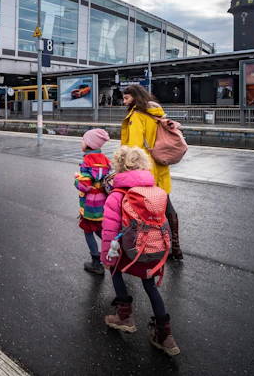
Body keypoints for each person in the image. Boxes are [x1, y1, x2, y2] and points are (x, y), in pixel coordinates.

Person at [100, 146, 180, 356]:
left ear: (118, 167)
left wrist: (107, 257)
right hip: (151, 250)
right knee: (150, 286)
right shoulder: (154, 192)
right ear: (144, 165)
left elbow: (109, 231)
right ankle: (166, 336)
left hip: (128, 249)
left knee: (115, 270)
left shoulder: (116, 196)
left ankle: (124, 316)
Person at [121, 84, 183, 260]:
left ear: (135, 97)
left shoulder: (137, 116)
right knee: (167, 205)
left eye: (127, 98)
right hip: (161, 166)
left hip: (145, 170)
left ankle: (147, 246)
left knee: (142, 210)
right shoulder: (156, 113)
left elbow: (134, 148)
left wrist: (126, 170)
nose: (124, 102)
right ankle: (176, 247)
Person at [74, 128, 112, 275]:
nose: (82, 142)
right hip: (103, 203)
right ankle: (117, 248)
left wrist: (77, 178)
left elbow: (84, 186)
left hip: (90, 205)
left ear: (89, 144)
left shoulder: (86, 161)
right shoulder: (105, 160)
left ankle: (97, 262)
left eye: (83, 140)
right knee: (99, 229)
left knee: (89, 230)